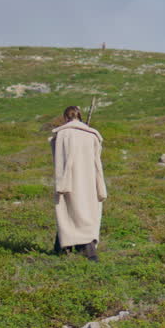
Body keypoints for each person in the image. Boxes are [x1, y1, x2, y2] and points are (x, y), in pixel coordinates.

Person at [50, 105, 107, 260]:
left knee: (68, 211)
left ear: (65, 117)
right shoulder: (92, 135)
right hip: (89, 180)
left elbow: (57, 156)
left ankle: (77, 248)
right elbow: (97, 159)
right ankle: (80, 247)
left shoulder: (63, 134)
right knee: (87, 211)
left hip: (69, 179)